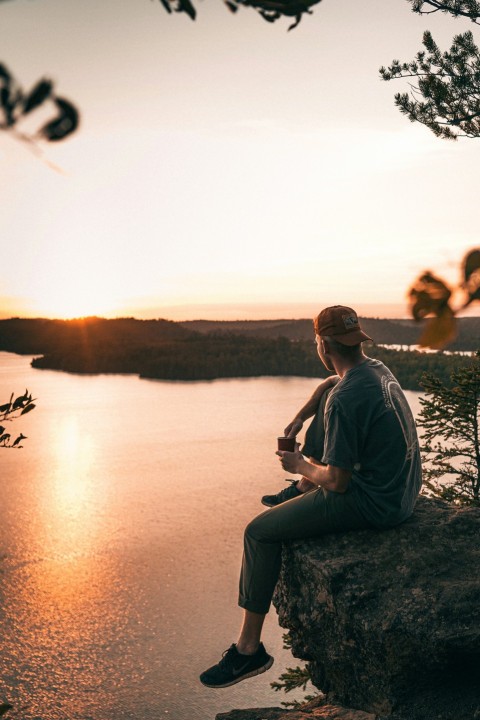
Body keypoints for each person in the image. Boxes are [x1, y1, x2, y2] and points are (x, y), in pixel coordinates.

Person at [199, 305, 422, 689]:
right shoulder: (375, 370)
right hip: (404, 488)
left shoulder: (345, 399)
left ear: (322, 343)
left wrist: (300, 465)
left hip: (377, 503)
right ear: (356, 340)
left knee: (258, 533)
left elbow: (336, 481)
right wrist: (302, 416)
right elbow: (329, 386)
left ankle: (248, 651)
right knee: (329, 395)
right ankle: (302, 491)